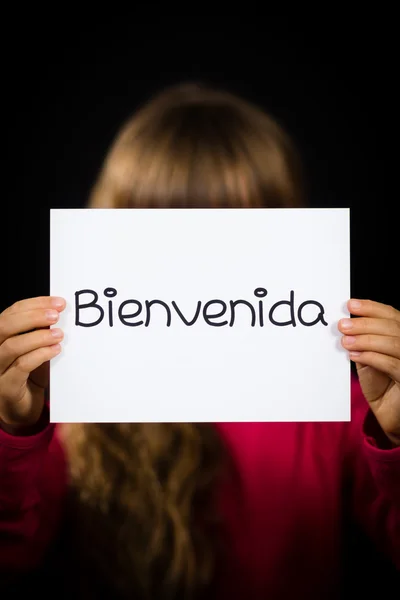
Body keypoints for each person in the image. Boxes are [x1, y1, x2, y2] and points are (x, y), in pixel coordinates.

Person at [0, 83, 399, 600]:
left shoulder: (343, 410)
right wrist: (13, 429)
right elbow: (10, 558)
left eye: (239, 231)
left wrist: (394, 438)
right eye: (169, 231)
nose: (204, 267)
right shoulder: (66, 405)